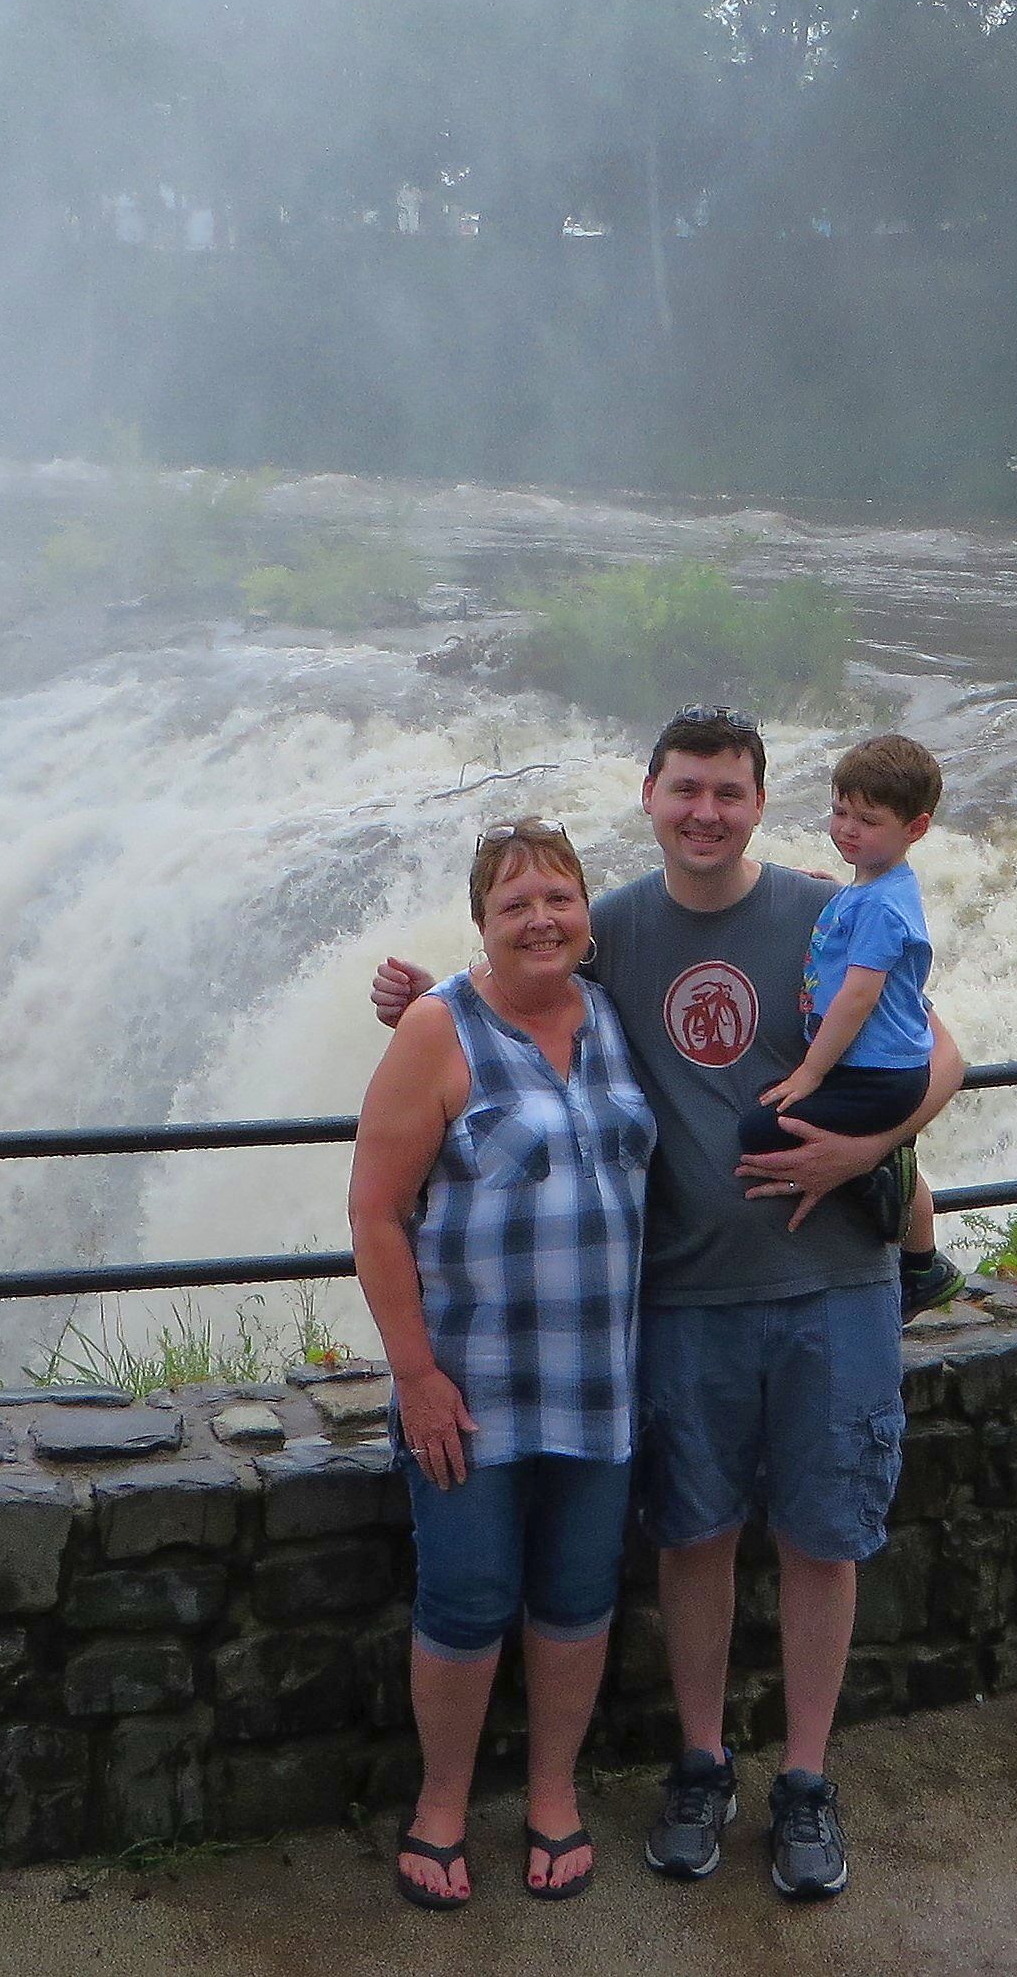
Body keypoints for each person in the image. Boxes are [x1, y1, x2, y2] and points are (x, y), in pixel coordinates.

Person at [371, 707, 962, 1902]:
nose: (704, 811)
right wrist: (422, 999)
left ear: (759, 802)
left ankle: (806, 1779)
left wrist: (865, 1154)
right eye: (684, 788)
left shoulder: (823, 907)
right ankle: (701, 1765)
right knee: (693, 1537)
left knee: (823, 1539)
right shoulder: (618, 931)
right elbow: (513, 987)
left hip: (833, 1283)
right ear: (647, 796)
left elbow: (942, 1052)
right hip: (685, 1295)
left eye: (728, 791)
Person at [350, 817, 653, 1910]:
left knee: (577, 1597)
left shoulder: (612, 1011)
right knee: (467, 1599)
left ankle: (553, 1793)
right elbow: (374, 1213)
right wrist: (416, 1376)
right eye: (515, 902)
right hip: (470, 1390)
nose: (540, 918)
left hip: (601, 1381)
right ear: (480, 921)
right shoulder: (438, 1029)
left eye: (558, 897)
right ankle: (440, 1806)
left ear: (586, 912)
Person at [739, 732, 966, 1319]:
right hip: (885, 1069)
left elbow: (858, 997)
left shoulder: (881, 906)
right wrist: (835, 895)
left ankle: (882, 1179)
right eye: (840, 812)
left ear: (915, 828)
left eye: (867, 821)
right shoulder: (873, 889)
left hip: (874, 1076)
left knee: (759, 1128)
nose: (847, 829)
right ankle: (921, 1260)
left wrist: (811, 1073)